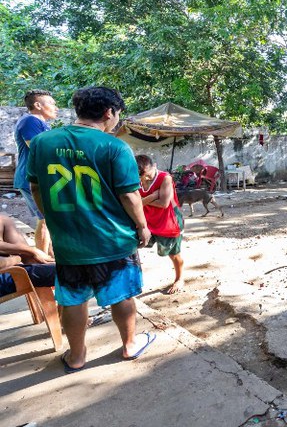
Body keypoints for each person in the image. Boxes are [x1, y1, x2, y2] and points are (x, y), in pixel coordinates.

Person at [27, 86, 154, 373]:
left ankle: (76, 357)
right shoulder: (115, 146)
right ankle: (130, 346)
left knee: (73, 298)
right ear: (109, 112)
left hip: (69, 243)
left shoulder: (42, 142)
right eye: (117, 114)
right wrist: (143, 226)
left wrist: (54, 215)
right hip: (112, 240)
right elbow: (130, 195)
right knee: (122, 295)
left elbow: (35, 186)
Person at [14, 89, 58, 256]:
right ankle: (41, 258)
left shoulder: (42, 124)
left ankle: (50, 256)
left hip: (39, 178)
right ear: (38, 105)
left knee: (48, 219)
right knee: (45, 220)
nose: (56, 107)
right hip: (30, 177)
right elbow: (37, 148)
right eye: (52, 103)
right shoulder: (30, 121)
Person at [135, 155, 185, 294]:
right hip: (146, 220)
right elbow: (129, 201)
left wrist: (140, 200)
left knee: (174, 254)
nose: (146, 179)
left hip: (168, 221)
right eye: (143, 177)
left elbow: (163, 203)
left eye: (148, 175)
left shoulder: (165, 178)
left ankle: (179, 278)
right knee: (132, 247)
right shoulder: (133, 178)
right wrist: (152, 196)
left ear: (155, 166)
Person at [0, 214, 55, 296]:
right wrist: (18, 257)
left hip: (11, 271)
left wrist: (33, 252)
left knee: (65, 270)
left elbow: (30, 260)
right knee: (71, 272)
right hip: (4, 276)